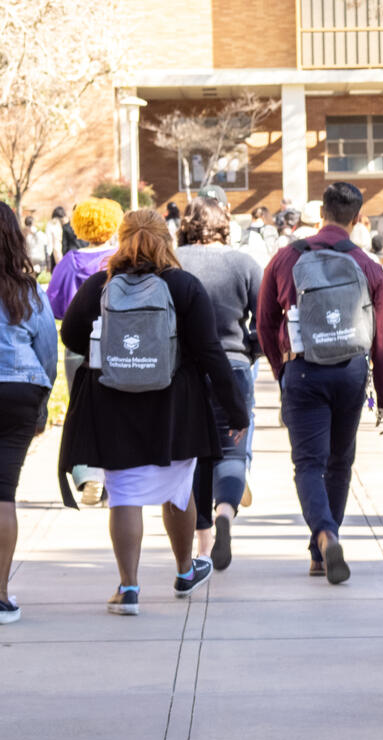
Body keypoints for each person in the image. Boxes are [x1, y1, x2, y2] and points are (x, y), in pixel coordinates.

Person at [59, 209, 249, 616]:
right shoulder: (183, 286)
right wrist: (237, 410)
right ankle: (184, 572)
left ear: (123, 239)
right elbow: (210, 352)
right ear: (167, 239)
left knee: (124, 492)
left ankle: (128, 589)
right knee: (178, 489)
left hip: (113, 403)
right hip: (174, 405)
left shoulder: (100, 285)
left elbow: (71, 334)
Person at [258, 182, 383, 583]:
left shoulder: (286, 258)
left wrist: (283, 371)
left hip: (303, 370)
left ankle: (324, 537)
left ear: (322, 214)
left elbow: (265, 323)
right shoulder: (368, 265)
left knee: (307, 464)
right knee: (340, 461)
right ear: (356, 218)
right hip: (351, 372)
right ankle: (323, 545)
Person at [176, 197, 262, 570]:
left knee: (193, 456)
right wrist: (251, 351)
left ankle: (203, 544)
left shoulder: (172, 262)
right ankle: (225, 512)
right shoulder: (244, 263)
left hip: (184, 372)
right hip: (233, 366)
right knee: (232, 451)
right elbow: (267, 320)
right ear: (225, 222)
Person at [0, 202, 58, 624]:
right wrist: (42, 406)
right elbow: (47, 352)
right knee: (3, 494)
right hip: (20, 388)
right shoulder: (26, 291)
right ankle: (0, 596)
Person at [47, 198, 124, 506]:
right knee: (116, 411)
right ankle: (111, 482)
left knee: (80, 410)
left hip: (78, 344)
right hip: (117, 345)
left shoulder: (70, 261)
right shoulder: (120, 259)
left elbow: (54, 303)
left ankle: (87, 472)